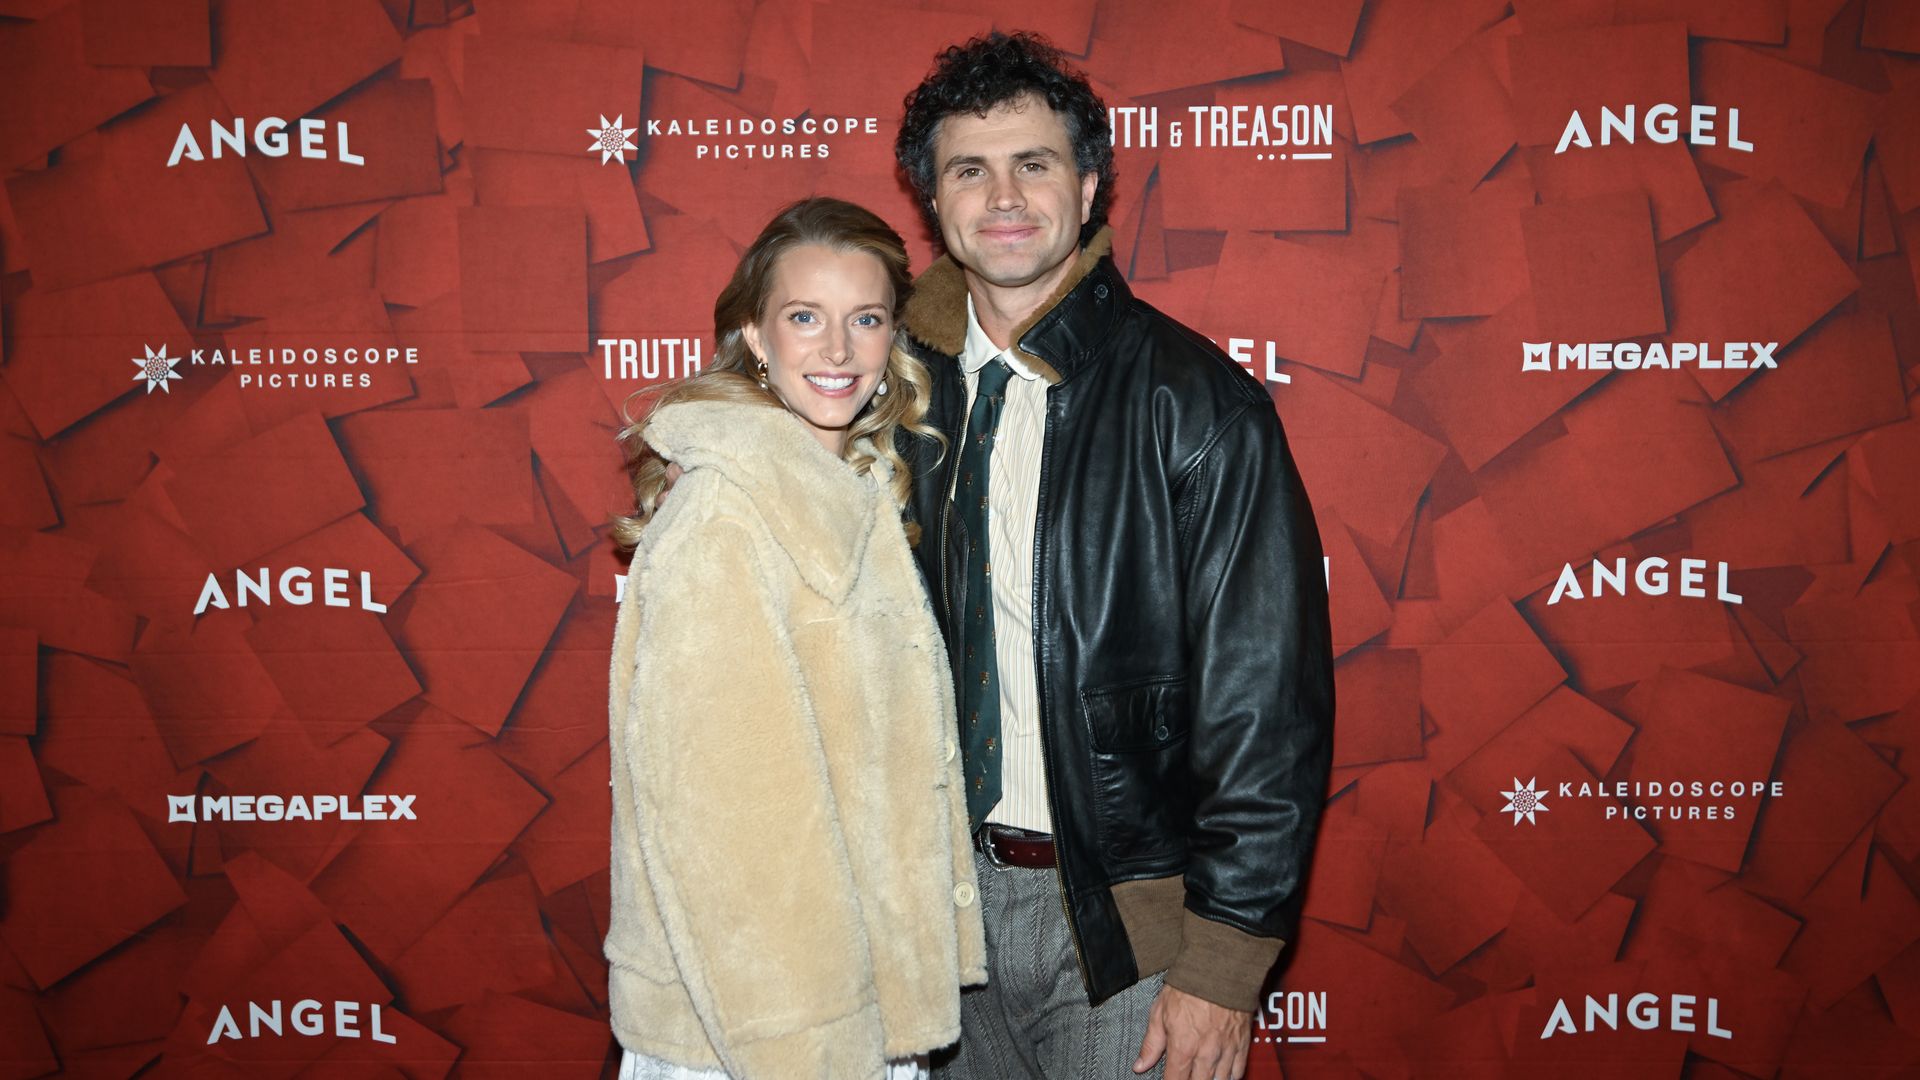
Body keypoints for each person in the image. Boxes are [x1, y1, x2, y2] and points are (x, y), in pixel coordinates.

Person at [891, 33, 1336, 1080]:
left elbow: (1264, 704)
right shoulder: (884, 395)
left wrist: (1225, 966)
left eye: (1033, 164)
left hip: (1130, 932)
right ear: (932, 201)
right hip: (925, 920)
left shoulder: (1199, 407)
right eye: (970, 169)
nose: (1004, 195)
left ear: (1088, 187)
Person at [604, 196, 985, 1080]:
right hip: (768, 1033)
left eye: (866, 320)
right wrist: (812, 1055)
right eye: (805, 318)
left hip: (843, 1012)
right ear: (756, 336)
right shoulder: (728, 513)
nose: (839, 350)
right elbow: (735, 830)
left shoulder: (835, 491)